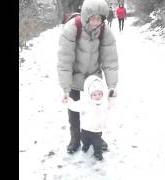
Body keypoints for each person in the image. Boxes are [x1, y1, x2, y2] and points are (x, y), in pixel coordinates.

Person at [57, 0, 119, 154]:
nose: (96, 22)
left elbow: (110, 60)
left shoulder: (104, 30)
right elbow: (65, 60)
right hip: (74, 77)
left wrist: (111, 86)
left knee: (97, 110)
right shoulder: (72, 28)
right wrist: (65, 88)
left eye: (99, 18)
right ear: (86, 16)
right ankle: (75, 139)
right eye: (93, 18)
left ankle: (96, 137)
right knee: (74, 112)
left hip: (93, 79)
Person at [65, 75, 115, 160]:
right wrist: (68, 101)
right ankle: (86, 146)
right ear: (89, 94)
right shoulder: (86, 103)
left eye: (99, 94)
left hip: (97, 130)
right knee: (85, 139)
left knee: (97, 143)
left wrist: (112, 97)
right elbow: (74, 106)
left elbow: (111, 104)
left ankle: (98, 153)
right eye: (94, 94)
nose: (97, 96)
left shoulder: (104, 102)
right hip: (86, 128)